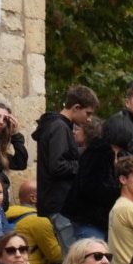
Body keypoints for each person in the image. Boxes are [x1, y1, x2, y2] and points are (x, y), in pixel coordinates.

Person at [34, 84, 97, 227]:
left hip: (57, 202)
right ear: (76, 108)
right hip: (59, 204)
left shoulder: (59, 125)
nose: (89, 119)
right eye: (88, 113)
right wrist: (83, 165)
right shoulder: (59, 127)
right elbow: (57, 165)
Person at [7, 180, 62, 264]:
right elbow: (56, 257)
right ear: (33, 198)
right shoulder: (39, 220)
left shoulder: (6, 214)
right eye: (47, 193)